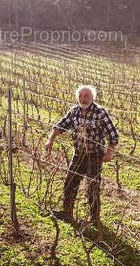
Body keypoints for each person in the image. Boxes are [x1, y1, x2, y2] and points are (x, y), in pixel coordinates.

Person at [45, 85, 118, 225]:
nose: (83, 99)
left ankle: (94, 220)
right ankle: (67, 213)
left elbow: (113, 134)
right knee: (70, 183)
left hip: (94, 155)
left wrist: (109, 152)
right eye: (81, 96)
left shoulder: (100, 113)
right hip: (78, 154)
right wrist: (50, 139)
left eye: (86, 96)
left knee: (93, 187)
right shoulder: (74, 111)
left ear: (92, 98)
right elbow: (60, 125)